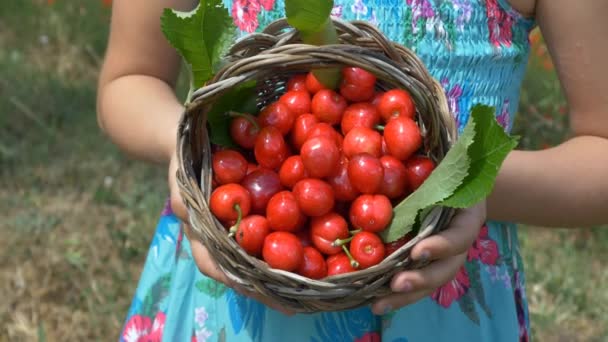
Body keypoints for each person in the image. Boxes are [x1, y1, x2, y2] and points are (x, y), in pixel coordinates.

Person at [96, 0, 608, 341]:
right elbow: (129, 78)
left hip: (438, 307)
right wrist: (188, 149)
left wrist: (467, 184)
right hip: (231, 284)